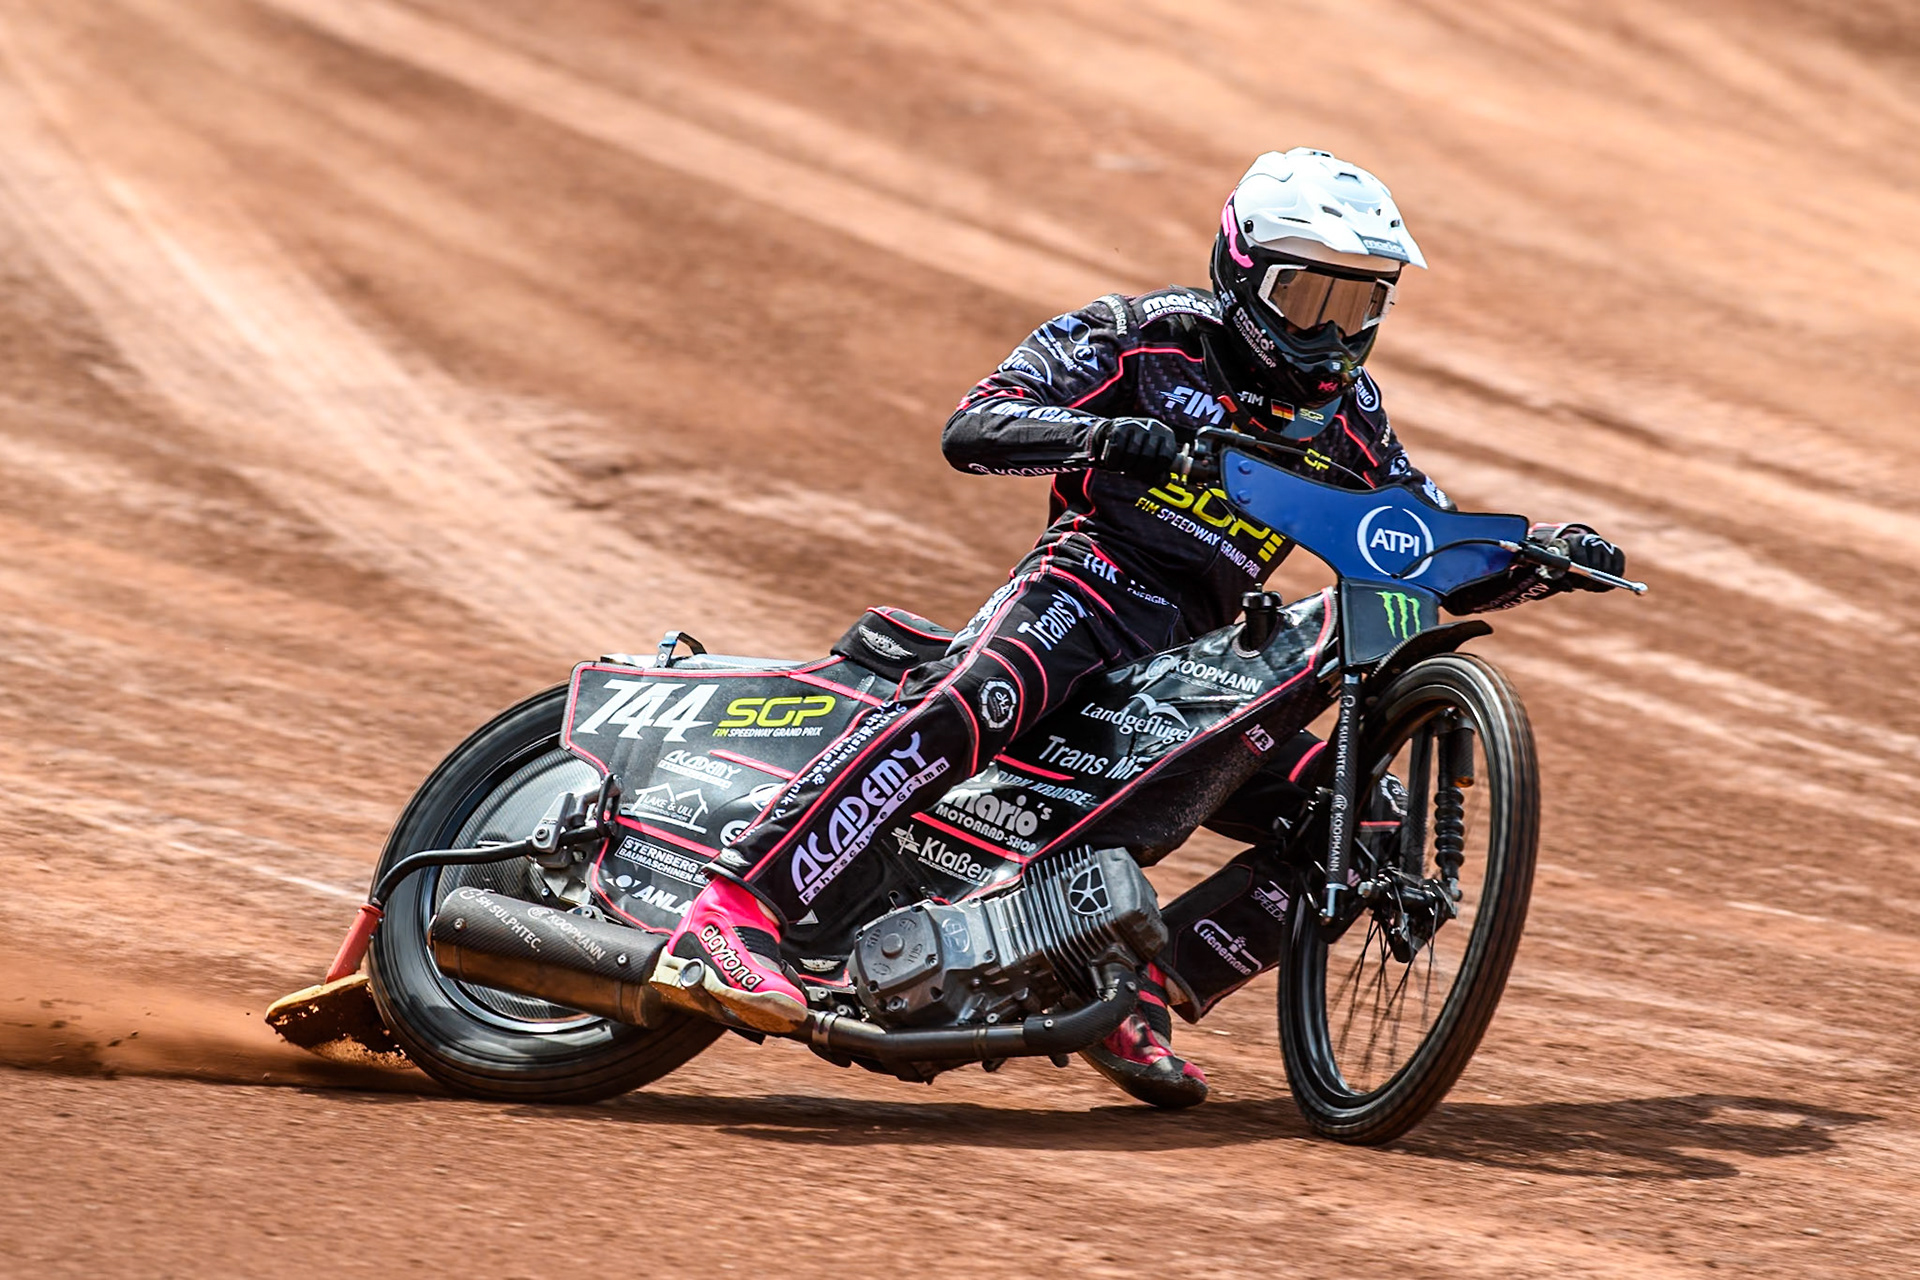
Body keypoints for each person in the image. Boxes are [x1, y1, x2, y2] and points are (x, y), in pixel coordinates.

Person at [651, 148, 1624, 1107]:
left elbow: (1416, 541)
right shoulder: (1143, 335)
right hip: (1085, 591)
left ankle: (1131, 986)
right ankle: (734, 906)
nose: (1335, 331)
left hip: (1197, 665)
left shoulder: (1349, 417)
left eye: (1360, 302)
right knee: (972, 699)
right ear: (1243, 273)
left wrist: (1533, 558)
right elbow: (973, 427)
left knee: (1363, 826)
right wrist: (1101, 433)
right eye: (1312, 297)